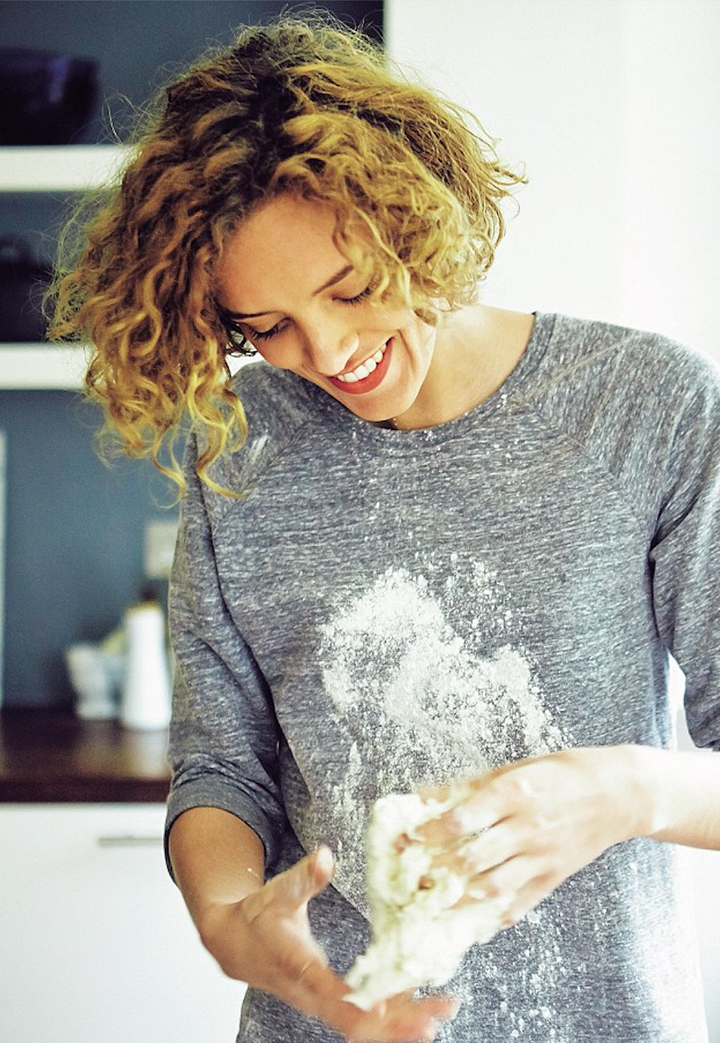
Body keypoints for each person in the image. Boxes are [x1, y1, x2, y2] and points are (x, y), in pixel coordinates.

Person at [49, 11, 720, 1043]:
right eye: (265, 328)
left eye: (350, 288)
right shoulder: (242, 450)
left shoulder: (647, 408)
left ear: (414, 218)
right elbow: (221, 767)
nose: (326, 351)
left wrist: (626, 788)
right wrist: (228, 918)